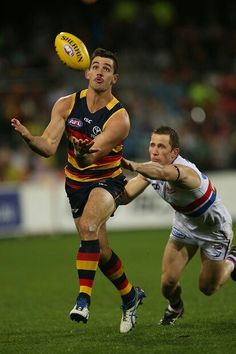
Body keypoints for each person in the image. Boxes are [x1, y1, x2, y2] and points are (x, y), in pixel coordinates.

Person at [11, 47, 145, 333]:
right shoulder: (65, 104)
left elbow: (91, 157)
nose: (99, 71)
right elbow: (48, 146)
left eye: (106, 68)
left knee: (89, 226)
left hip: (108, 181)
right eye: (95, 66)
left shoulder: (119, 118)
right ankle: (130, 295)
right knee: (102, 250)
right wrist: (28, 138)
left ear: (114, 78)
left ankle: (83, 300)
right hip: (75, 184)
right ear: (86, 72)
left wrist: (83, 153)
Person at [121, 125, 236, 325]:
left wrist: (132, 165)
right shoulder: (151, 169)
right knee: (167, 284)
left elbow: (165, 174)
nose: (154, 150)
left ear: (175, 152)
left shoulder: (185, 172)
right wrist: (104, 183)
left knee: (207, 288)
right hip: (185, 224)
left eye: (161, 146)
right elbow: (125, 196)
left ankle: (233, 259)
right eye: (152, 145)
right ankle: (175, 307)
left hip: (214, 230)